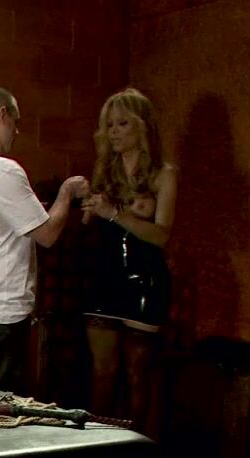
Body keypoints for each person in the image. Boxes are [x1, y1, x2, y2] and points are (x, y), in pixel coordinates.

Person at [0, 86, 89, 394]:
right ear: (2, 115)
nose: (17, 130)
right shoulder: (3, 171)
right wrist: (66, 192)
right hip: (0, 315)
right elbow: (47, 234)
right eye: (16, 121)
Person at [78, 87, 177, 430]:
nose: (114, 132)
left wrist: (115, 213)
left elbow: (161, 235)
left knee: (138, 375)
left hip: (144, 282)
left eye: (122, 124)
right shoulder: (105, 171)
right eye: (109, 125)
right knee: (102, 373)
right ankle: (97, 448)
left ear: (142, 126)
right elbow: (90, 225)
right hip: (104, 278)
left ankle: (135, 452)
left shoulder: (163, 174)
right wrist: (88, 209)